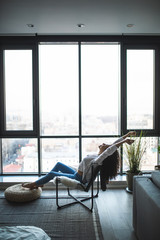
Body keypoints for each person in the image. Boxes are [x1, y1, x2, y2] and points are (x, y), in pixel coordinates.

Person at [22, 131, 136, 190]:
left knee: (52, 174)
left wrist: (125, 142)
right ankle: (40, 183)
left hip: (79, 179)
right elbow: (113, 145)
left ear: (106, 150)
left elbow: (112, 148)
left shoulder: (98, 160)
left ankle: (33, 184)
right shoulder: (99, 156)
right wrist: (126, 136)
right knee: (58, 165)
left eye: (104, 144)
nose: (102, 144)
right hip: (77, 173)